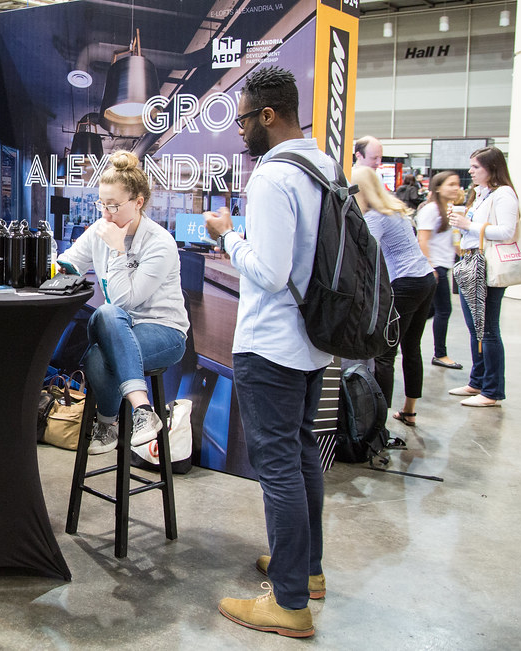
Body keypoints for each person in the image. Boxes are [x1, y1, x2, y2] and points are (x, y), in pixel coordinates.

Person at [203, 66, 331, 638]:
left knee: (277, 468)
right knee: (301, 455)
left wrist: (227, 236)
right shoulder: (323, 165)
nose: (240, 131)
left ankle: (288, 602)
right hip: (312, 341)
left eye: (244, 119)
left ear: (268, 116)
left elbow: (270, 272)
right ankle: (306, 570)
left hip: (271, 344)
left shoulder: (273, 178)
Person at [56, 150, 188, 455]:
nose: (105, 214)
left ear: (138, 202)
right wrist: (55, 265)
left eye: (113, 206)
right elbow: (68, 263)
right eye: (101, 204)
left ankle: (110, 423)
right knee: (104, 321)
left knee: (99, 348)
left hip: (163, 332)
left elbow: (124, 301)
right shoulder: (100, 228)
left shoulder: (160, 243)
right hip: (119, 327)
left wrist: (116, 252)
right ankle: (141, 412)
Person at [352, 166, 436, 427]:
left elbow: (364, 253)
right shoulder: (395, 210)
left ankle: (378, 425)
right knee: (412, 348)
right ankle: (409, 411)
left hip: (405, 284)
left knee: (384, 354)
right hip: (424, 280)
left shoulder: (376, 217)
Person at [448, 146, 518, 408]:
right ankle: (477, 381)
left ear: (491, 168)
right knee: (475, 328)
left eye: (476, 167)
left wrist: (469, 225)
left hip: (487, 267)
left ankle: (492, 391)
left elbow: (508, 232)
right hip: (472, 263)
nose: (470, 171)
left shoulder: (504, 195)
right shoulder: (482, 194)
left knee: (487, 330)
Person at [416, 170, 463, 370]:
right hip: (436, 268)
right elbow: (422, 240)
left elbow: (452, 240)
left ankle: (396, 337)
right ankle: (440, 354)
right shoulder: (431, 210)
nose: (456, 188)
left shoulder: (448, 209)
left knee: (430, 311)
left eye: (457, 184)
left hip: (444, 266)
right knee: (444, 310)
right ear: (437, 187)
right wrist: (430, 266)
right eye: (450, 184)